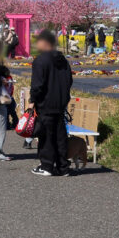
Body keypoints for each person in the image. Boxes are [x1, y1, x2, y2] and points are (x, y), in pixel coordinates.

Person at [30, 29, 74, 177]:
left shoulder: (40, 61)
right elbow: (69, 81)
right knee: (60, 136)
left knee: (46, 136)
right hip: (61, 103)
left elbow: (37, 85)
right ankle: (63, 167)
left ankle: (47, 166)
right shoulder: (63, 61)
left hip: (45, 104)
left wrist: (32, 101)